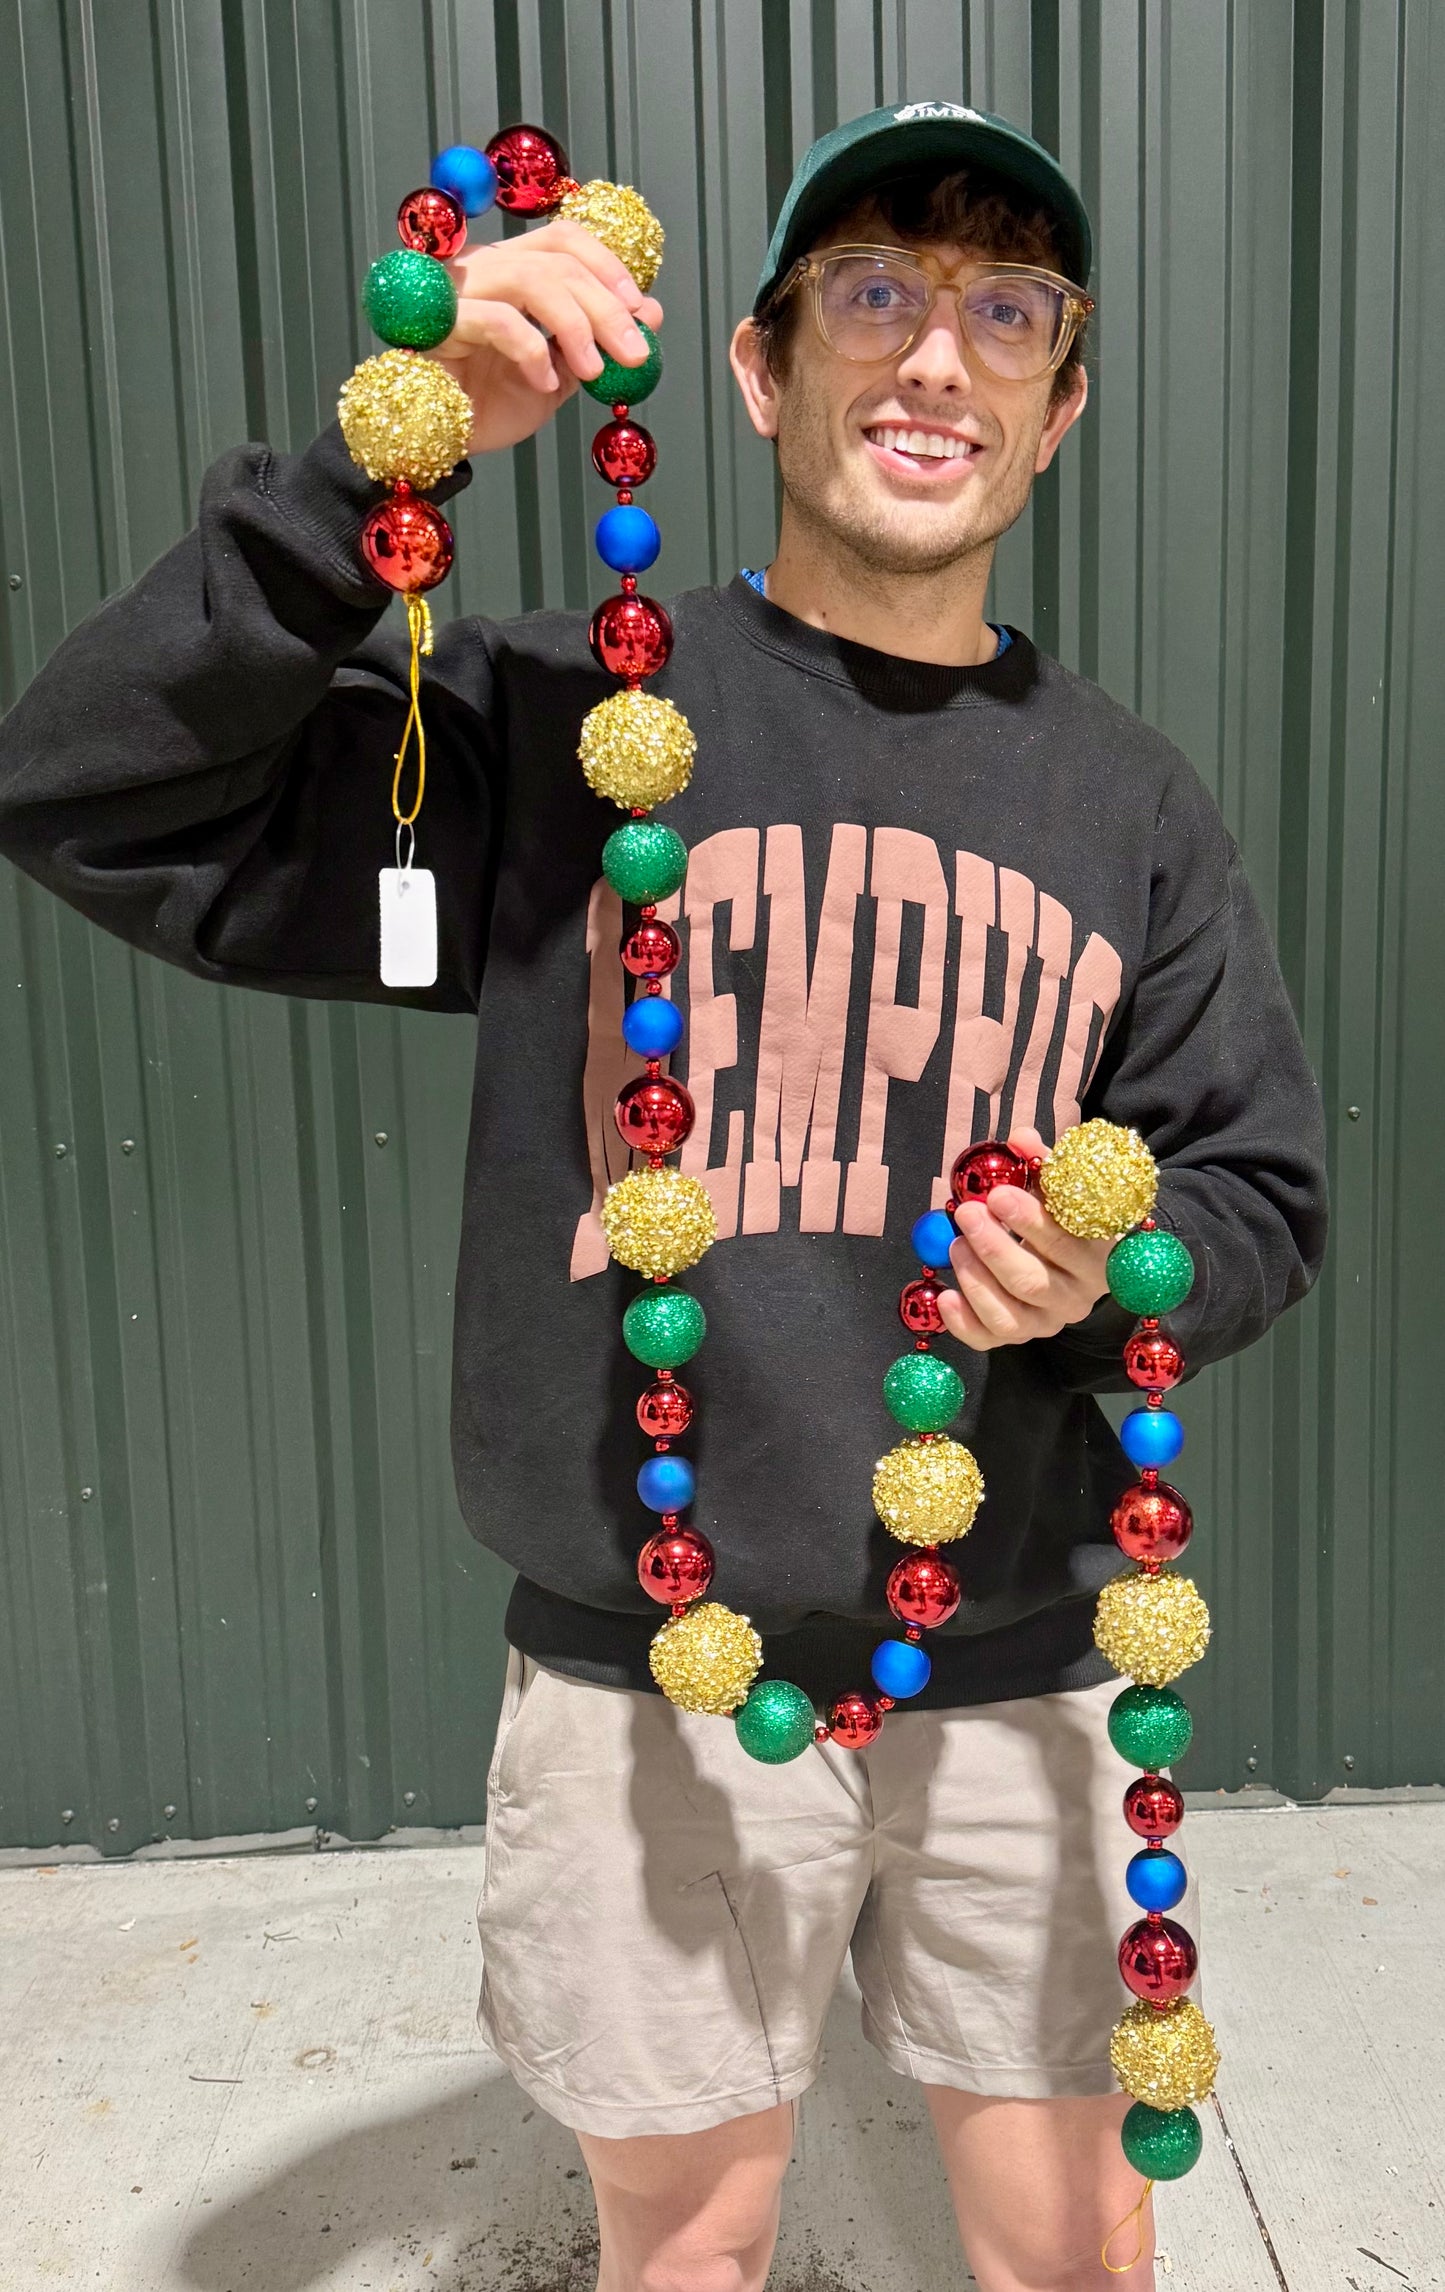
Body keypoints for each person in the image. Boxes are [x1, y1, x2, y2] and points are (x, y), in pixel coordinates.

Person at [0, 100, 1325, 2292]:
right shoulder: (558, 727)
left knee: (1082, 2256)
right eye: (874, 291)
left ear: (1062, 402)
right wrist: (379, 474)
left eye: (1007, 310)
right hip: (649, 1666)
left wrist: (1114, 1269)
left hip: (1024, 1660)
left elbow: (1259, 1184)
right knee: (688, 2259)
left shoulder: (1134, 805)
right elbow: (93, 790)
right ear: (753, 362)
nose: (936, 358)